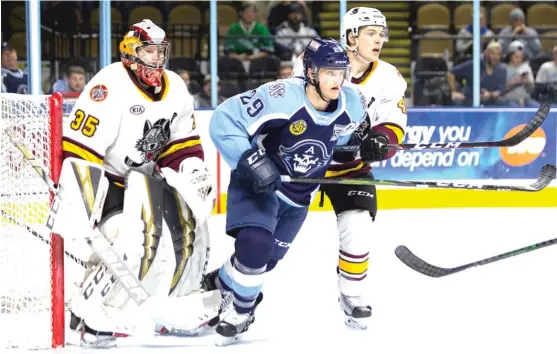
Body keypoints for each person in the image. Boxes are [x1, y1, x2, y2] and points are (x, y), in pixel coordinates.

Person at [57, 19, 215, 347]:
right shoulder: (109, 84)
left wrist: (193, 172)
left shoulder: (175, 86)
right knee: (124, 239)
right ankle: (83, 315)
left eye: (161, 51)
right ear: (131, 52)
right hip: (110, 182)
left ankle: (178, 303)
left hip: (147, 180)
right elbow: (79, 149)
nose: (157, 59)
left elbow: (181, 144)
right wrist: (81, 200)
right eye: (149, 51)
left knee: (193, 227)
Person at [208, 38, 368, 345]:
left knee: (264, 262)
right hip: (259, 186)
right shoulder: (281, 96)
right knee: (254, 246)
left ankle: (219, 282)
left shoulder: (354, 104)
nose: (336, 79)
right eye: (328, 72)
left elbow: (341, 145)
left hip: (298, 198)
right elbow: (224, 120)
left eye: (340, 72)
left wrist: (364, 147)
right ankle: (241, 312)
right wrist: (252, 161)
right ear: (310, 71)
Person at [291, 7, 408, 329]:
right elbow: (290, 106)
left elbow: (393, 119)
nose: (379, 40)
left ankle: (352, 294)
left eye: (381, 34)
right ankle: (233, 291)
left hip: (349, 168)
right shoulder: (314, 61)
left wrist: (382, 139)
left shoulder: (388, 76)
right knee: (267, 238)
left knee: (358, 228)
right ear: (351, 37)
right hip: (304, 164)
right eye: (371, 33)